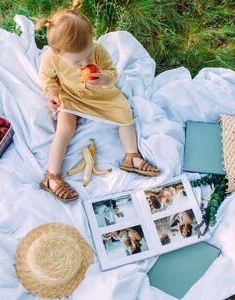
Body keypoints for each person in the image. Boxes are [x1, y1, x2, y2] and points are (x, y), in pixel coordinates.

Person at [36, 0, 160, 202]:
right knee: (65, 127)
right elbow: (47, 79)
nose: (85, 63)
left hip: (101, 95)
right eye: (78, 61)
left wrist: (105, 78)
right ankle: (51, 176)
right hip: (71, 96)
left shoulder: (97, 49)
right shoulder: (51, 59)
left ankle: (132, 156)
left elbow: (112, 72)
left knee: (124, 113)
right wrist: (52, 94)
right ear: (57, 52)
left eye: (87, 56)